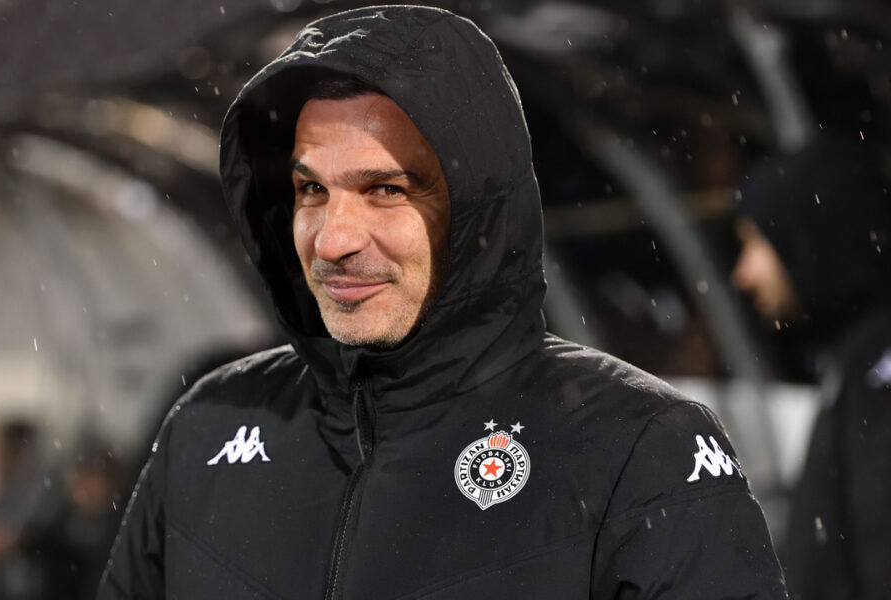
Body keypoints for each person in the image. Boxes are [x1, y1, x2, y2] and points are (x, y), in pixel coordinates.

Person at [99, 6, 786, 598]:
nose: (333, 238)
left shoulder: (638, 448)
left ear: (479, 212)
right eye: (311, 191)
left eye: (386, 190)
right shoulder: (209, 428)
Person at [731, 133, 891, 600]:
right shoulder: (856, 364)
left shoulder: (876, 378)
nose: (743, 273)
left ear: (808, 235)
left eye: (756, 243)